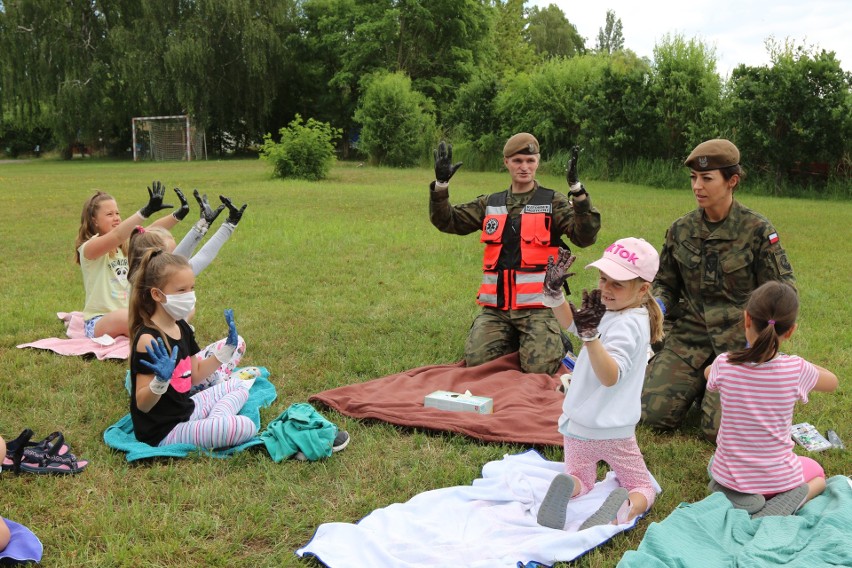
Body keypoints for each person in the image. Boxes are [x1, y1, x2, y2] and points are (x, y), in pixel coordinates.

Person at [641, 139, 797, 443]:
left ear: (732, 181)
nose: (697, 186)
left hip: (739, 340)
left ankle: (719, 389)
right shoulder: (680, 229)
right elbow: (666, 282)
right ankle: (697, 384)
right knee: (651, 416)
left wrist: (764, 341)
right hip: (690, 335)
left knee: (719, 433)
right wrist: (657, 305)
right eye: (693, 178)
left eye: (707, 178)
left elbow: (783, 290)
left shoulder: (757, 230)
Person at [428, 133, 601, 374]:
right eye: (518, 160)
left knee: (539, 369)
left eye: (530, 161)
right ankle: (513, 339)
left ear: (538, 162)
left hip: (538, 306)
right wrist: (441, 186)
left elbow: (584, 238)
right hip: (497, 308)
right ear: (506, 162)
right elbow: (448, 221)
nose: (524, 167)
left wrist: (578, 192)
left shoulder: (552, 201)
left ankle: (557, 342)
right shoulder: (491, 203)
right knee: (477, 362)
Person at [535, 238, 663, 530]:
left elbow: (609, 375)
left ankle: (574, 485)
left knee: (583, 478)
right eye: (604, 278)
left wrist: (590, 336)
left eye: (617, 284)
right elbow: (572, 324)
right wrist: (554, 294)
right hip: (612, 430)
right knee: (644, 487)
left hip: (578, 425)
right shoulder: (613, 309)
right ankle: (625, 505)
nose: (606, 288)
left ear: (642, 289)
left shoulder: (627, 324)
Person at [703, 281, 838, 518]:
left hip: (729, 474)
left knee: (716, 461)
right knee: (817, 473)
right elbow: (832, 381)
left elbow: (708, 374)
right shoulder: (795, 368)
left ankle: (730, 491)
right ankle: (781, 502)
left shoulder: (724, 364)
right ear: (791, 331)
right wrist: (798, 361)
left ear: (746, 319)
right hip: (776, 478)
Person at [128, 249, 257, 448]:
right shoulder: (148, 339)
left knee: (239, 386)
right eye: (181, 290)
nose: (190, 296)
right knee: (246, 427)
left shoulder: (181, 326)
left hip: (186, 410)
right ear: (157, 294)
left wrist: (225, 352)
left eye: (192, 288)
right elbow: (143, 405)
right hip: (165, 430)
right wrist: (160, 381)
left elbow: (194, 376)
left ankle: (212, 423)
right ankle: (214, 424)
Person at [75, 182, 189, 339]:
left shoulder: (126, 246)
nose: (116, 218)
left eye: (117, 213)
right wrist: (145, 211)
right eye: (109, 215)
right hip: (100, 321)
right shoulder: (89, 248)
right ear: (94, 220)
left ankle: (167, 333)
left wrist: (179, 214)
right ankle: (167, 335)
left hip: (132, 315)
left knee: (174, 307)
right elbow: (117, 235)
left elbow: (151, 231)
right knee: (124, 317)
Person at [127, 191, 247, 280]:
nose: (177, 257)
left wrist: (226, 224)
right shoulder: (155, 280)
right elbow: (189, 259)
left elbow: (203, 257)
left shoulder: (157, 274)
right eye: (172, 255)